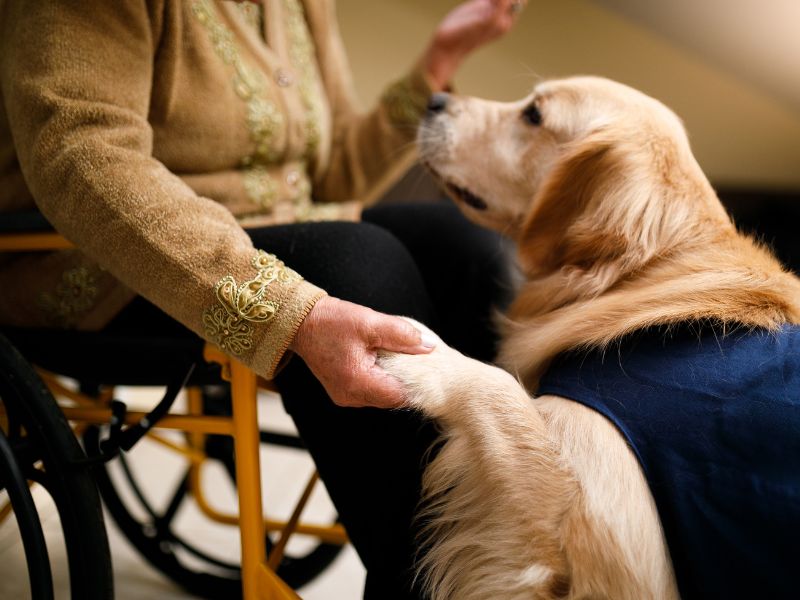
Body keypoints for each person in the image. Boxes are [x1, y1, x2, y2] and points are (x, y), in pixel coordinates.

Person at [0, 0, 524, 597]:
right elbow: (80, 156)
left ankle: (504, 551)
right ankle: (422, 584)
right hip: (102, 259)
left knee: (472, 253)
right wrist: (287, 309)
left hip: (279, 228)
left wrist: (439, 61)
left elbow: (328, 179)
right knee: (359, 264)